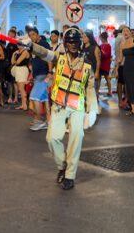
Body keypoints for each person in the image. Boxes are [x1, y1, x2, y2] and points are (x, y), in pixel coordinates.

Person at [25, 27, 99, 190]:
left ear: (80, 43)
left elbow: (90, 87)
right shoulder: (59, 57)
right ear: (65, 44)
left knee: (76, 138)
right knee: (51, 138)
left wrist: (92, 110)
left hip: (77, 106)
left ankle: (70, 175)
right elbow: (45, 53)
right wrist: (31, 46)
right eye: (70, 42)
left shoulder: (87, 64)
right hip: (59, 105)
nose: (73, 45)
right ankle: (62, 165)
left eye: (76, 42)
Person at [10, 40, 30, 110]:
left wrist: (15, 60)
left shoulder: (25, 52)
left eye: (20, 45)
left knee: (21, 88)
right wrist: (13, 54)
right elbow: (12, 62)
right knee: (20, 88)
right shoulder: (17, 52)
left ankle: (25, 105)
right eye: (18, 45)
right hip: (18, 70)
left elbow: (18, 62)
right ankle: (23, 104)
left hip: (22, 70)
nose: (19, 46)